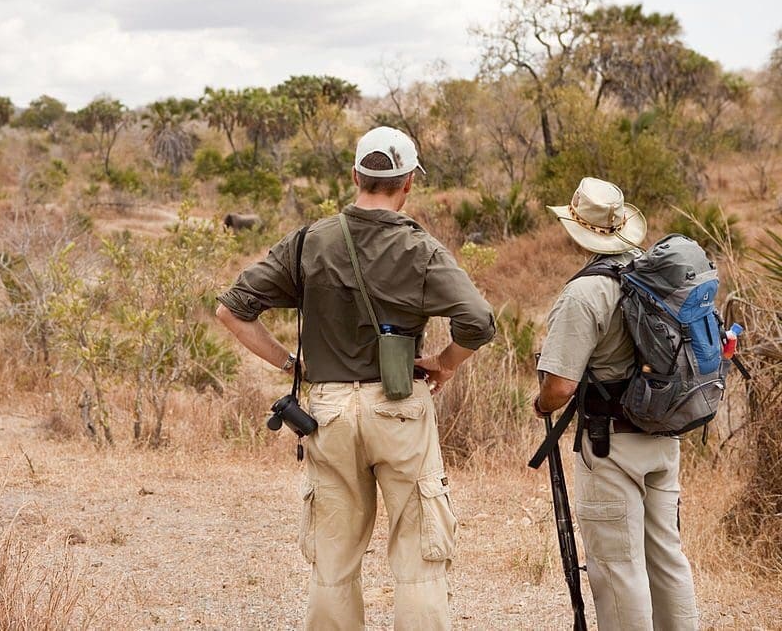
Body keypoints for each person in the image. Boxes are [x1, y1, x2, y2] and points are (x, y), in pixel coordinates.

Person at [216, 126, 495, 630]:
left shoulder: (309, 241)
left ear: (355, 176)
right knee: (418, 559)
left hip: (327, 413)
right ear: (408, 182)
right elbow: (478, 320)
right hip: (400, 408)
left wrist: (289, 364)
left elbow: (232, 310)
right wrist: (446, 363)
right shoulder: (421, 249)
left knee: (334, 560)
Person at [534, 177, 699, 630]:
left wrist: (540, 402)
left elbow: (560, 387)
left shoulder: (586, 293)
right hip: (664, 437)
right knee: (667, 557)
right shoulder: (658, 274)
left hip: (610, 448)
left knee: (618, 567)